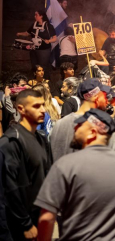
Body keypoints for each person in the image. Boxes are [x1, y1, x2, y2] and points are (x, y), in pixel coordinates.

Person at [36, 109, 115, 241]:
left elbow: (47, 217)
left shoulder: (65, 165)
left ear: (92, 133)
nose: (75, 129)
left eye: (79, 126)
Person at [0, 89, 52, 241]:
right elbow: (10, 188)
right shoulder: (11, 142)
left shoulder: (41, 140)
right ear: (21, 109)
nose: (43, 110)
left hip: (38, 218)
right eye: (36, 106)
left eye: (43, 105)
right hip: (17, 226)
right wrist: (25, 224)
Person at [50, 78, 115, 161]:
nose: (107, 100)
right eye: (105, 96)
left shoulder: (59, 125)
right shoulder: (102, 128)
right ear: (96, 97)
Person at [16, 10, 56, 80]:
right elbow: (27, 33)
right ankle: (36, 82)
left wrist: (49, 41)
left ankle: (46, 82)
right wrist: (20, 33)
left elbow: (55, 38)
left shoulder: (48, 26)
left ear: (41, 16)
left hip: (44, 50)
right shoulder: (34, 24)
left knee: (43, 67)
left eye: (36, 15)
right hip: (34, 49)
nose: (35, 16)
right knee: (35, 67)